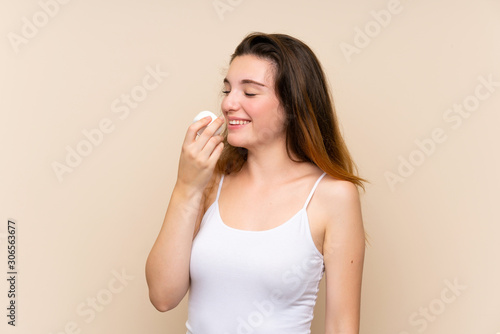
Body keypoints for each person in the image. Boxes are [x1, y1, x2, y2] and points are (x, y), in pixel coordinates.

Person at [145, 32, 367, 334]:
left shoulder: (333, 196)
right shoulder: (209, 181)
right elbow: (162, 296)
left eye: (249, 93)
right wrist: (186, 187)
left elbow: (342, 325)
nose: (229, 104)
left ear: (292, 105)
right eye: (227, 90)